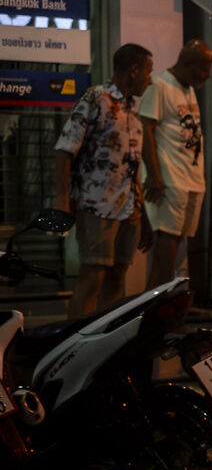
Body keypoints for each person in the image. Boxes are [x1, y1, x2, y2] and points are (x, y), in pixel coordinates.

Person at [54, 43, 153, 315]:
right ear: (133, 71)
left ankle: (102, 342)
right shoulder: (95, 98)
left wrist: (143, 215)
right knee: (92, 278)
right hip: (97, 205)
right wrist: (62, 199)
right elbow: (64, 150)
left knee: (117, 277)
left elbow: (132, 166)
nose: (150, 79)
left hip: (129, 209)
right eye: (147, 71)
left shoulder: (133, 110)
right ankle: (75, 346)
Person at [138, 40, 212, 291]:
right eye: (203, 68)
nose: (207, 75)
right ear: (186, 63)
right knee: (166, 249)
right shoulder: (158, 85)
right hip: (170, 179)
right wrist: (154, 176)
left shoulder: (188, 88)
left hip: (190, 178)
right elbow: (146, 130)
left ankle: (167, 310)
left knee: (178, 249)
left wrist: (200, 170)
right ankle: (152, 313)